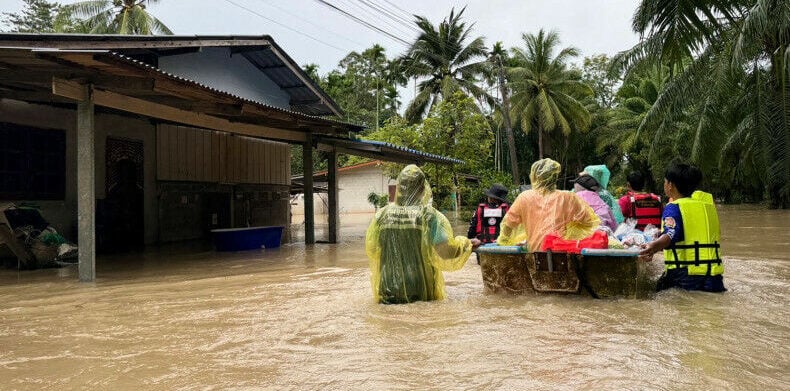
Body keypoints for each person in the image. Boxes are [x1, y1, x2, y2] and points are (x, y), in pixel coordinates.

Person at [365, 165, 474, 304]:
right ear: (423, 189)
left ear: (399, 187)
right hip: (420, 289)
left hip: (388, 289)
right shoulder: (430, 216)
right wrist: (467, 244)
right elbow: (446, 252)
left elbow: (373, 249)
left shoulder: (381, 216)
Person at [639, 163, 725, 292]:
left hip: (684, 277)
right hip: (714, 278)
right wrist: (660, 234)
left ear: (670, 185)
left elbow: (671, 234)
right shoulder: (707, 207)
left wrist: (653, 247)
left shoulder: (673, 207)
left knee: (651, 294)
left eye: (665, 181)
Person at [497, 159, 600, 252]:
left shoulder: (524, 197)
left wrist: (503, 242)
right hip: (562, 253)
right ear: (555, 177)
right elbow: (589, 223)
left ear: (535, 176)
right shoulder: (568, 197)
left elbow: (508, 225)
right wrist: (571, 230)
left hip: (536, 254)